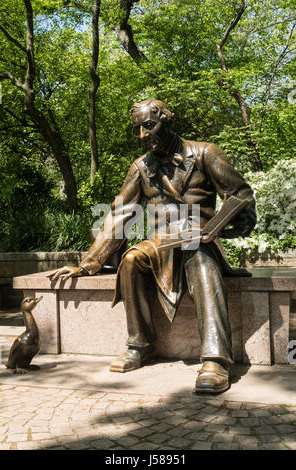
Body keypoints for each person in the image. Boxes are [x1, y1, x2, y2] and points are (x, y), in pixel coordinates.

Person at [49, 99, 256, 393]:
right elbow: (120, 216)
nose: (144, 135)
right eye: (138, 130)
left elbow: (240, 193)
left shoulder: (205, 153)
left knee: (198, 255)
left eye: (149, 126)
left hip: (200, 236)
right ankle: (140, 343)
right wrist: (87, 264)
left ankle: (215, 359)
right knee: (132, 259)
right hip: (159, 241)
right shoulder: (140, 167)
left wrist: (236, 222)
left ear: (167, 121)